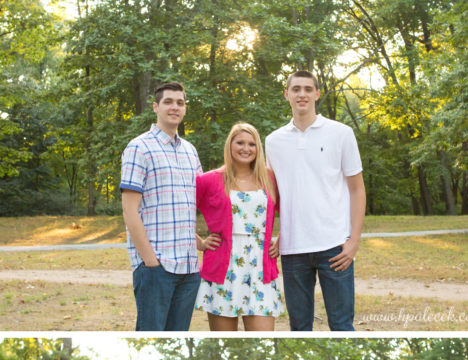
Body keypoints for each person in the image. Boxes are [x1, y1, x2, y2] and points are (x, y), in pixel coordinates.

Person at [265, 71, 366, 331]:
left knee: (342, 325)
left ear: (317, 94)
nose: (302, 94)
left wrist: (353, 241)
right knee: (299, 327)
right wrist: (275, 234)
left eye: (308, 89)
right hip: (292, 248)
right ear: (286, 94)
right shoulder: (273, 141)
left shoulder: (341, 133)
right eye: (296, 89)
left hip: (335, 246)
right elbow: (271, 195)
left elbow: (357, 189)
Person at [120, 81, 220, 331]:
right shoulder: (139, 147)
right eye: (168, 102)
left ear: (185, 109)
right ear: (156, 107)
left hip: (188, 268)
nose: (174, 107)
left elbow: (185, 205)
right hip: (157, 268)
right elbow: (130, 211)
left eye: (180, 102)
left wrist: (200, 243)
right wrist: (150, 261)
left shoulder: (190, 151)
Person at [194, 122, 284, 330]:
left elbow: (290, 213)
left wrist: (281, 241)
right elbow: (181, 211)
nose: (246, 148)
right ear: (230, 145)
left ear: (258, 148)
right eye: (240, 142)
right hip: (223, 269)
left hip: (261, 268)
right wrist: (199, 242)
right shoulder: (209, 180)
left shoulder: (269, 179)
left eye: (252, 144)